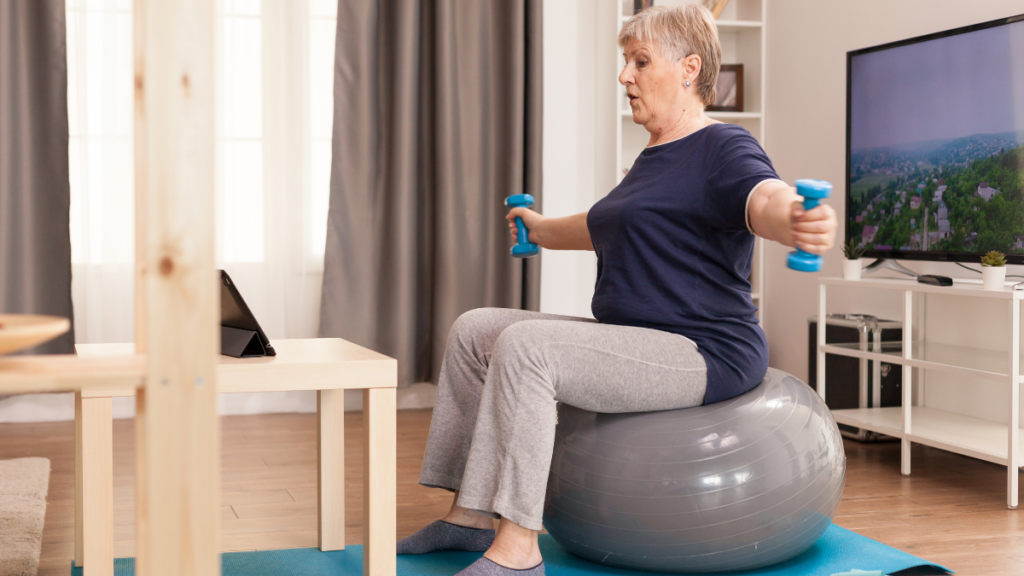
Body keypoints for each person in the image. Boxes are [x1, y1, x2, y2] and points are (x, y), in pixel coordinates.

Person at [396, 5, 837, 576]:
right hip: (634, 336)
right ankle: (470, 515)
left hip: (704, 350)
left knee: (529, 348)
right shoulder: (650, 160)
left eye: (640, 61)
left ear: (689, 69)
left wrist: (796, 220)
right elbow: (601, 226)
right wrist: (539, 227)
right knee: (476, 329)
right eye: (625, 61)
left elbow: (764, 199)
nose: (624, 76)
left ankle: (518, 550)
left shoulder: (723, 146)